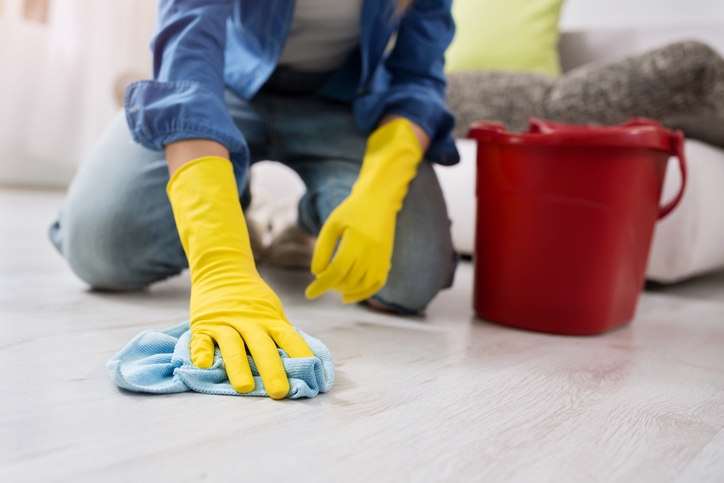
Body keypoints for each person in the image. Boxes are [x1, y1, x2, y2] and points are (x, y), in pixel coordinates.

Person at [49, 0, 458, 399]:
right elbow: (189, 49)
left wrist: (378, 194)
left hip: (347, 105)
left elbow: (418, 79)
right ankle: (234, 202)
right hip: (221, 86)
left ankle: (302, 224)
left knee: (410, 277)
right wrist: (221, 263)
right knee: (101, 245)